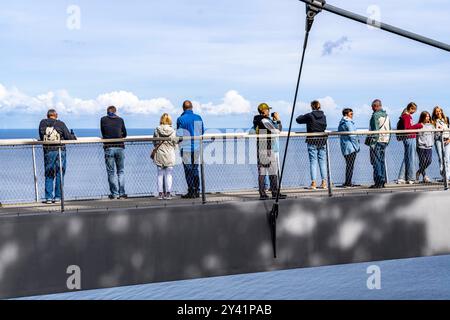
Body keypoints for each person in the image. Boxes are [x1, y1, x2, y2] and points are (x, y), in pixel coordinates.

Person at [39, 109, 76, 204]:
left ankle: (48, 198)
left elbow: (41, 135)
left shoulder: (42, 123)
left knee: (49, 174)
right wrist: (73, 136)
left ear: (47, 115)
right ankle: (58, 197)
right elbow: (68, 137)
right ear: (56, 115)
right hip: (60, 150)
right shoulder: (60, 124)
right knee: (60, 173)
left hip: (48, 151)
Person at [253, 103, 286, 200]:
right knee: (272, 171)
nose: (269, 111)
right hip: (267, 148)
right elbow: (277, 131)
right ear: (263, 111)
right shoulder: (264, 120)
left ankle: (263, 193)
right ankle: (274, 193)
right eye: (267, 110)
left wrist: (272, 121)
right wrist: (278, 120)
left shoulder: (258, 120)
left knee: (263, 172)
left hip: (262, 147)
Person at [296, 100, 328, 190]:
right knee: (322, 162)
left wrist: (302, 116)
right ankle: (324, 183)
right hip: (322, 140)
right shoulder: (324, 116)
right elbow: (324, 126)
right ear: (319, 106)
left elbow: (298, 120)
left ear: (312, 106)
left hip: (312, 140)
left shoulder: (310, 115)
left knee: (313, 162)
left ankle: (313, 183)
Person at [176, 100, 205, 199]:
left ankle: (191, 191)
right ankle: (197, 191)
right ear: (192, 107)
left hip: (186, 148)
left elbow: (179, 134)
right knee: (195, 169)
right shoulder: (198, 117)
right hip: (197, 147)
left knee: (188, 171)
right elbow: (202, 131)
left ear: (183, 108)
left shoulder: (181, 119)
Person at [100, 106, 128, 199]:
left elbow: (103, 132)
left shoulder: (103, 119)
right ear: (115, 112)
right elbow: (125, 133)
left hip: (109, 147)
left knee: (111, 172)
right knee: (121, 171)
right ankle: (122, 193)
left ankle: (114, 194)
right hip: (120, 147)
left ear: (107, 112)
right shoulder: (120, 120)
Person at [366, 99, 391, 188]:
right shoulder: (386, 116)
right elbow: (389, 129)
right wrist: (388, 140)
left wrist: (372, 143)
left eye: (373, 107)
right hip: (385, 140)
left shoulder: (375, 116)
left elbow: (374, 130)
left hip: (377, 141)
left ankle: (378, 181)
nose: (372, 109)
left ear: (376, 106)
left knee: (376, 161)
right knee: (381, 161)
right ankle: (383, 180)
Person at [153, 113, 178, 200]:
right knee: (169, 175)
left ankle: (160, 194)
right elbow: (175, 143)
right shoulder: (173, 131)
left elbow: (154, 142)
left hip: (160, 153)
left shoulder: (157, 129)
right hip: (170, 154)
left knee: (160, 175)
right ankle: (168, 193)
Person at [396, 102, 423, 184]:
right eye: (414, 109)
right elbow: (407, 128)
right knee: (411, 158)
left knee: (407, 157)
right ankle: (411, 178)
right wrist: (418, 125)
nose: (414, 111)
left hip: (409, 138)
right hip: (410, 138)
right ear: (411, 108)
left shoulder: (406, 116)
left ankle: (401, 177)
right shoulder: (406, 117)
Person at [338, 108, 360, 187]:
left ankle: (347, 181)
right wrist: (357, 147)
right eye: (351, 114)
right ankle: (348, 182)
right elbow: (352, 135)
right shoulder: (348, 123)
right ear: (346, 114)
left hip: (345, 147)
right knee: (350, 165)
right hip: (351, 147)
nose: (352, 115)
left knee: (349, 165)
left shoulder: (341, 122)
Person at [432, 106, 450, 181]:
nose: (438, 112)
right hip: (438, 140)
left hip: (447, 140)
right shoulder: (434, 121)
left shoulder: (446, 119)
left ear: (441, 111)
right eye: (437, 111)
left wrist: (449, 139)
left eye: (439, 111)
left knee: (447, 158)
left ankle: (448, 176)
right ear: (435, 113)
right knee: (441, 158)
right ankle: (444, 175)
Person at [416, 111, 434, 183]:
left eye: (428, 116)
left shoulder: (431, 125)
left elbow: (434, 134)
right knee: (422, 161)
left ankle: (418, 172)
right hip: (421, 146)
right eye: (426, 116)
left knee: (429, 161)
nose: (428, 117)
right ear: (423, 117)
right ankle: (425, 176)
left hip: (429, 146)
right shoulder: (419, 125)